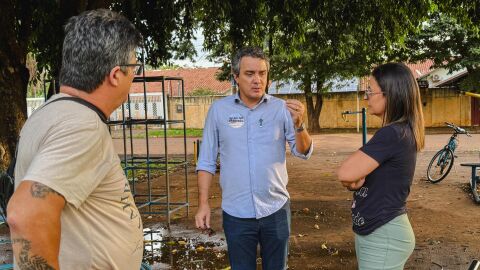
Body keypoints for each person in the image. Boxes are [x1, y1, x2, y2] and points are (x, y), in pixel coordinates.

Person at [7, 9, 144, 269]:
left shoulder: (53, 111)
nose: (134, 75)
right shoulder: (81, 125)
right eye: (133, 68)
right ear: (116, 75)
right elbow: (25, 213)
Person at [195, 46, 313, 270]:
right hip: (236, 213)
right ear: (236, 76)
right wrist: (203, 204)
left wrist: (300, 125)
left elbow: (303, 152)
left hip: (275, 210)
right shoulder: (219, 111)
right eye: (250, 74)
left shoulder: (281, 109)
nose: (257, 80)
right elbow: (206, 161)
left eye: (262, 73)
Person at [337, 62, 425, 269]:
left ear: (390, 94)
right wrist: (352, 182)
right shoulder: (400, 132)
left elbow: (345, 172)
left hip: (383, 235)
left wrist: (351, 179)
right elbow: (355, 177)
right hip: (382, 231)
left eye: (370, 90)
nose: (366, 96)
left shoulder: (392, 134)